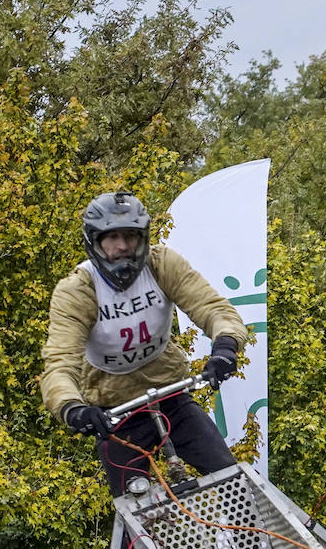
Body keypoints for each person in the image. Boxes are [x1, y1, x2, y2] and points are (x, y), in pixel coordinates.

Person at [39, 191, 250, 494]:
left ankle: (251, 526)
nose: (123, 246)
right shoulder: (78, 290)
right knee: (134, 506)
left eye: (130, 236)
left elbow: (213, 308)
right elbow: (60, 363)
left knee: (231, 477)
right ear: (94, 241)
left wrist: (226, 345)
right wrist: (72, 407)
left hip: (171, 395)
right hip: (116, 412)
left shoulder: (162, 264)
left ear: (143, 238)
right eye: (112, 238)